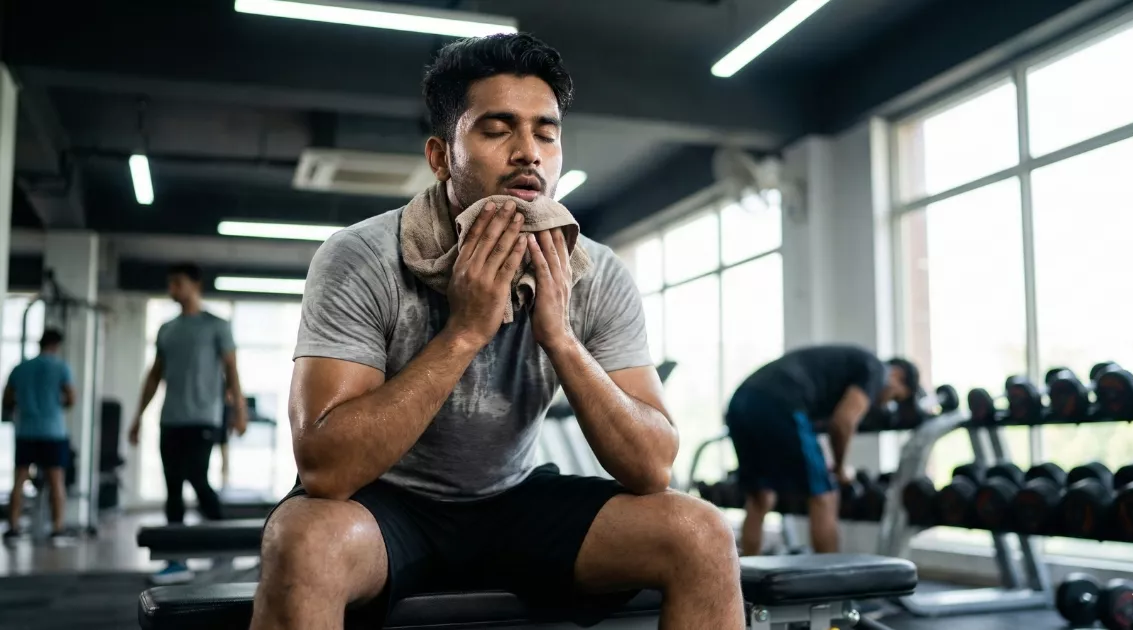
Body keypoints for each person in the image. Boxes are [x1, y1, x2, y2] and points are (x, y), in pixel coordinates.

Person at [249, 33, 742, 630]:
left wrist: (559, 336)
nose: (528, 152)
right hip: (388, 507)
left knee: (698, 531)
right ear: (440, 157)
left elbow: (651, 468)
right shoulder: (361, 256)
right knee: (303, 540)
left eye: (546, 131)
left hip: (513, 502)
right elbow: (326, 470)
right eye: (496, 129)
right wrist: (464, 332)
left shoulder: (596, 273)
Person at [726, 344, 919, 556]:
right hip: (781, 403)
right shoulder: (877, 370)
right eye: (896, 397)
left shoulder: (851, 365)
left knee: (760, 497)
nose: (887, 403)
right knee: (825, 495)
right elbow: (843, 422)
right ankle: (829, 584)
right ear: (897, 375)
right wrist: (839, 468)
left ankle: (744, 579)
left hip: (741, 401)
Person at [129, 263, 249, 584]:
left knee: (197, 478)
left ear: (195, 285)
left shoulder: (217, 326)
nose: (172, 289)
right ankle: (175, 561)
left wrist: (240, 410)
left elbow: (232, 372)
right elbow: (154, 375)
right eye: (169, 283)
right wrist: (138, 417)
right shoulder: (167, 329)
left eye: (177, 283)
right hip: (171, 419)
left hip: (203, 418)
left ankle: (226, 547)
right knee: (172, 489)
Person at [2, 329, 77, 547]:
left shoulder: (21, 368)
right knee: (56, 482)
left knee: (19, 481)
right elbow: (71, 398)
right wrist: (54, 405)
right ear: (56, 345)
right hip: (52, 431)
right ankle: (57, 529)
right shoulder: (60, 367)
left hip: (26, 430)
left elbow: (7, 399)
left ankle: (13, 528)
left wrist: (26, 408)